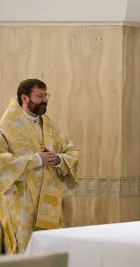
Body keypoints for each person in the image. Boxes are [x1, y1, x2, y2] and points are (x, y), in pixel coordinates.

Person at [0, 79, 79, 254]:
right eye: (39, 96)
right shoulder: (5, 128)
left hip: (49, 205)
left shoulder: (50, 127)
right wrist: (35, 159)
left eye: (46, 95)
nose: (45, 100)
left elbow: (72, 153)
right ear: (25, 98)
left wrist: (57, 159)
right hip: (21, 206)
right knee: (26, 254)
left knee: (49, 253)